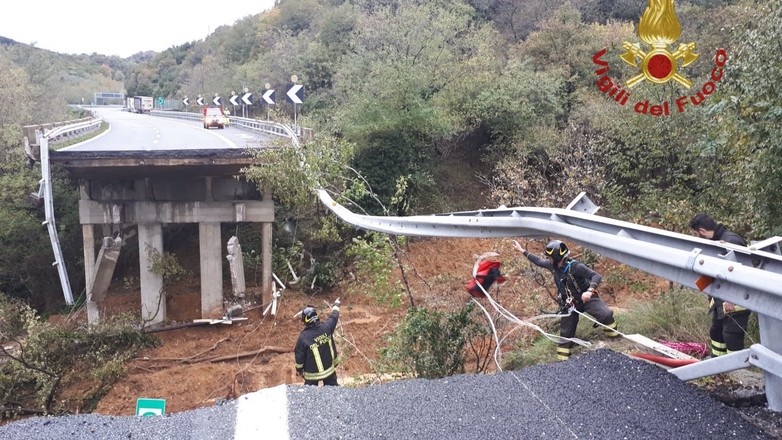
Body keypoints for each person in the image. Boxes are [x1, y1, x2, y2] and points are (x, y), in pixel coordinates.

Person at [514, 239, 619, 360]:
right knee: (565, 336)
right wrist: (522, 250)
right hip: (569, 304)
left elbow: (596, 276)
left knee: (605, 314)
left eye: (550, 258)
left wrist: (589, 291)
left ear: (557, 258)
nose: (548, 260)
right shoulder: (552, 266)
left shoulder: (575, 267)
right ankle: (563, 362)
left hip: (586, 299)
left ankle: (615, 340)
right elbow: (538, 261)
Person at [689, 213, 751, 357]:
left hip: (734, 301)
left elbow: (742, 273)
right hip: (720, 301)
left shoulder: (731, 242)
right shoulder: (716, 241)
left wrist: (731, 299)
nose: (697, 238)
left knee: (731, 336)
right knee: (717, 333)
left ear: (702, 231)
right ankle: (717, 366)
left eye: (696, 234)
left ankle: (735, 371)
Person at [294, 299, 341, 386]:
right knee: (334, 393)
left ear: (305, 321)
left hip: (312, 376)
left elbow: (299, 357)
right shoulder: (326, 327)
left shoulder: (303, 338)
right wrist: (336, 305)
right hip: (329, 371)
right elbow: (334, 316)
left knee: (310, 395)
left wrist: (299, 370)